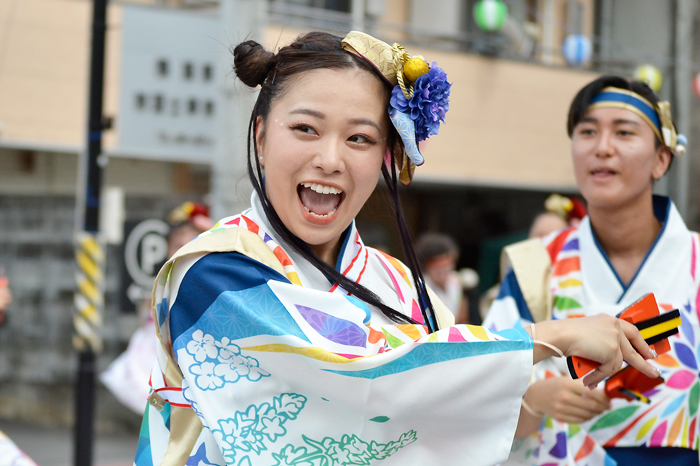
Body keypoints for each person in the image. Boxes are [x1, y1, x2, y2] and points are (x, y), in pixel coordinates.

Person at [133, 34, 658, 466]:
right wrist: (553, 336)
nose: (330, 158)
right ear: (262, 135)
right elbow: (356, 381)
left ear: (388, 156)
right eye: (305, 129)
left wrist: (534, 401)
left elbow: (444, 420)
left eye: (359, 138)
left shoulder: (402, 286)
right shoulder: (209, 273)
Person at [484, 76, 696, 465]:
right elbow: (479, 392)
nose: (602, 148)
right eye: (587, 132)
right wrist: (534, 400)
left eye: (624, 132)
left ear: (661, 159)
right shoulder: (537, 265)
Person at [101, 202, 212, 414]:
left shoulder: (207, 279)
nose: (182, 249)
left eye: (189, 242)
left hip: (187, 362)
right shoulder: (164, 279)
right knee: (155, 405)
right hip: (155, 357)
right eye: (176, 244)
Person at [415, 232, 468, 323]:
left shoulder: (455, 280)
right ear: (426, 268)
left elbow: (462, 317)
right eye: (438, 270)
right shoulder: (420, 288)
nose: (444, 274)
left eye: (447, 268)